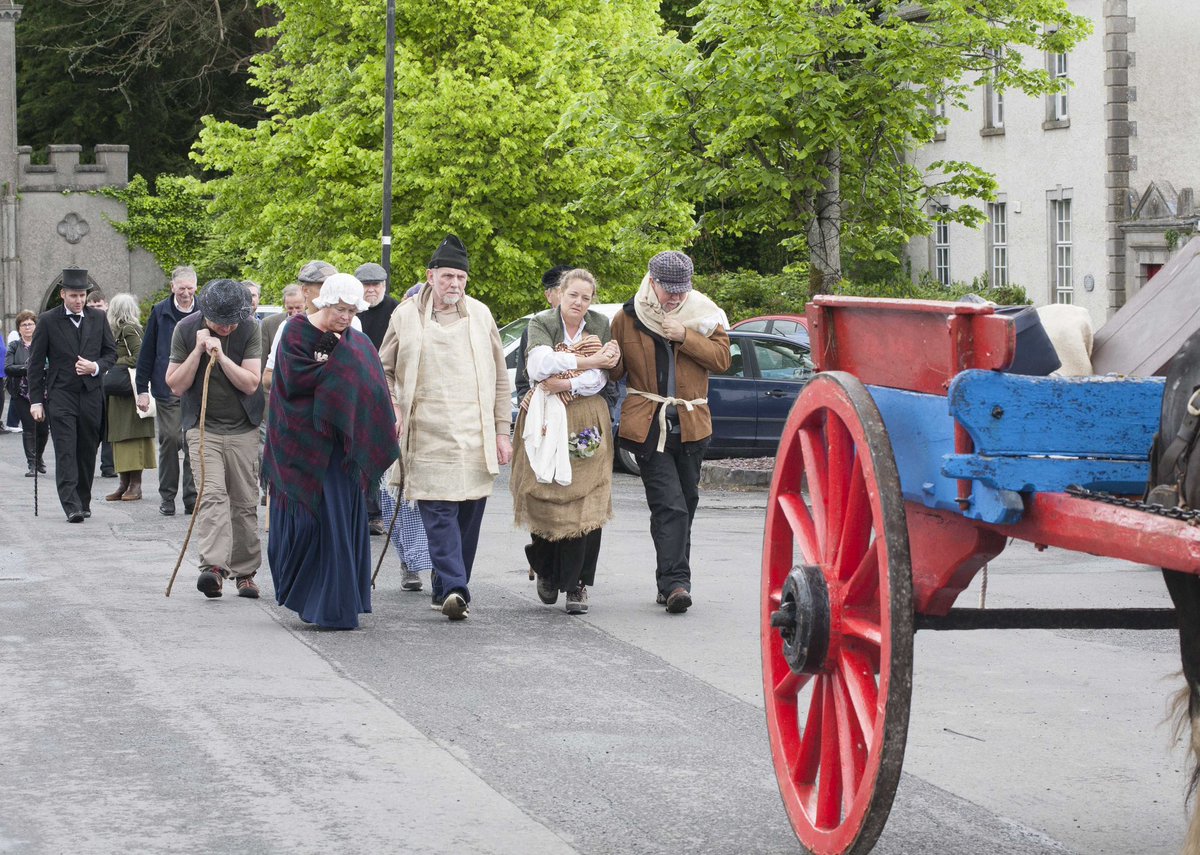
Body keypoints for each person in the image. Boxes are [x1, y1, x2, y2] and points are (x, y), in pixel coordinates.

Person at [379, 234, 513, 621]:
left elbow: (501, 379)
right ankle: (456, 587)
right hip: (427, 431)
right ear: (430, 276)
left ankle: (446, 588)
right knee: (439, 512)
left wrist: (502, 432)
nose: (454, 284)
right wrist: (393, 406)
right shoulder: (404, 315)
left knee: (468, 516)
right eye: (447, 276)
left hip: (475, 433)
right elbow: (382, 370)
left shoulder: (481, 315)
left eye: (461, 277)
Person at [264, 273, 398, 629]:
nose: (346, 316)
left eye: (353, 311)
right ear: (325, 303)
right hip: (298, 447)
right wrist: (337, 371)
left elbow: (370, 385)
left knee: (337, 524)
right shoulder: (294, 332)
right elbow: (292, 380)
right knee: (306, 527)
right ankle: (306, 596)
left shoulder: (358, 340)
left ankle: (335, 605)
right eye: (341, 309)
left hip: (341, 452)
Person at [610, 251, 731, 614]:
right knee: (670, 505)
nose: (677, 297)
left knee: (685, 505)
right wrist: (606, 358)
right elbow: (615, 374)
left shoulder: (705, 314)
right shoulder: (626, 317)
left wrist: (686, 336)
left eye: (683, 290)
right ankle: (677, 583)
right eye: (669, 290)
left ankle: (670, 579)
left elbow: (723, 361)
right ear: (652, 281)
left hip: (692, 423)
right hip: (647, 423)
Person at [510, 269, 619, 614]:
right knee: (544, 493)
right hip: (543, 415)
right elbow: (540, 365)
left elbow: (601, 376)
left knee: (588, 500)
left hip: (587, 416)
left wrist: (568, 382)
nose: (579, 303)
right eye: (573, 295)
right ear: (559, 293)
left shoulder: (601, 325)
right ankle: (544, 566)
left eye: (586, 298)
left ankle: (577, 586)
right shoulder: (540, 322)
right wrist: (588, 361)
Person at [165, 279, 265, 599]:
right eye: (222, 322)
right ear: (206, 314)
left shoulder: (250, 328)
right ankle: (214, 568)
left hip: (243, 428)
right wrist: (197, 350)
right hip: (202, 428)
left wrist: (220, 356)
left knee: (244, 502)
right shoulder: (185, 328)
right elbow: (176, 385)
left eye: (233, 320)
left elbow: (251, 383)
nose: (228, 327)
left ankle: (245, 572)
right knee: (211, 496)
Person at [28, 267, 118, 522]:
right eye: (74, 296)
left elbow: (111, 353)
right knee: (66, 449)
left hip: (90, 394)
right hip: (61, 394)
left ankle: (83, 500)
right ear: (63, 294)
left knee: (87, 449)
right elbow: (35, 364)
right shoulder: (47, 320)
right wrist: (36, 401)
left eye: (82, 296)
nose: (79, 301)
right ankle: (71, 505)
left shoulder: (98, 319)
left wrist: (96, 367)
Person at [136, 265, 199, 516]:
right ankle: (167, 496)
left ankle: (191, 497)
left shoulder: (204, 310)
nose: (185, 293)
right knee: (171, 439)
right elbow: (147, 351)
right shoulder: (160, 312)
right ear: (172, 287)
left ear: (196, 287)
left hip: (195, 388)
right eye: (181, 288)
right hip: (168, 387)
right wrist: (142, 389)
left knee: (192, 441)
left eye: (190, 288)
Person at [353, 261, 401, 538]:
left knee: (385, 450)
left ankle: (382, 510)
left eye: (376, 284)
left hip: (387, 388)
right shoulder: (351, 310)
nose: (372, 290)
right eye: (367, 285)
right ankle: (367, 511)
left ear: (384, 285)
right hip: (359, 388)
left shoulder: (396, 311)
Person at [102, 294, 156, 502]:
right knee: (120, 438)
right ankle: (124, 484)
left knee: (133, 438)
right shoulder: (119, 332)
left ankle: (135, 485)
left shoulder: (129, 329)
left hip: (130, 392)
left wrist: (114, 361)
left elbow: (140, 355)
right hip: (119, 394)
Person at [513, 264, 571, 401]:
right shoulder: (533, 330)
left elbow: (608, 379)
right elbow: (523, 383)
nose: (569, 298)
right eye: (561, 291)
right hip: (546, 410)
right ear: (548, 295)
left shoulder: (594, 327)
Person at [5, 311, 50, 475]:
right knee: (29, 428)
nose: (27, 327)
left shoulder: (44, 344)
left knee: (43, 429)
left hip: (44, 392)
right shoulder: (14, 346)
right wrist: (30, 369)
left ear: (36, 326)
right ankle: (32, 464)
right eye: (24, 325)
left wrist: (38, 369)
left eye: (30, 324)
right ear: (19, 328)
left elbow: (50, 366)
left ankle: (38, 458)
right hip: (21, 393)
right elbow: (9, 368)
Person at [88, 289, 117, 478]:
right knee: (93, 424)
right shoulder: (86, 324)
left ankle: (108, 465)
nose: (96, 309)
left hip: (113, 378)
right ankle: (89, 460)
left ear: (106, 305)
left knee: (110, 423)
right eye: (92, 307)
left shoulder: (115, 325)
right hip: (94, 379)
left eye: (99, 306)